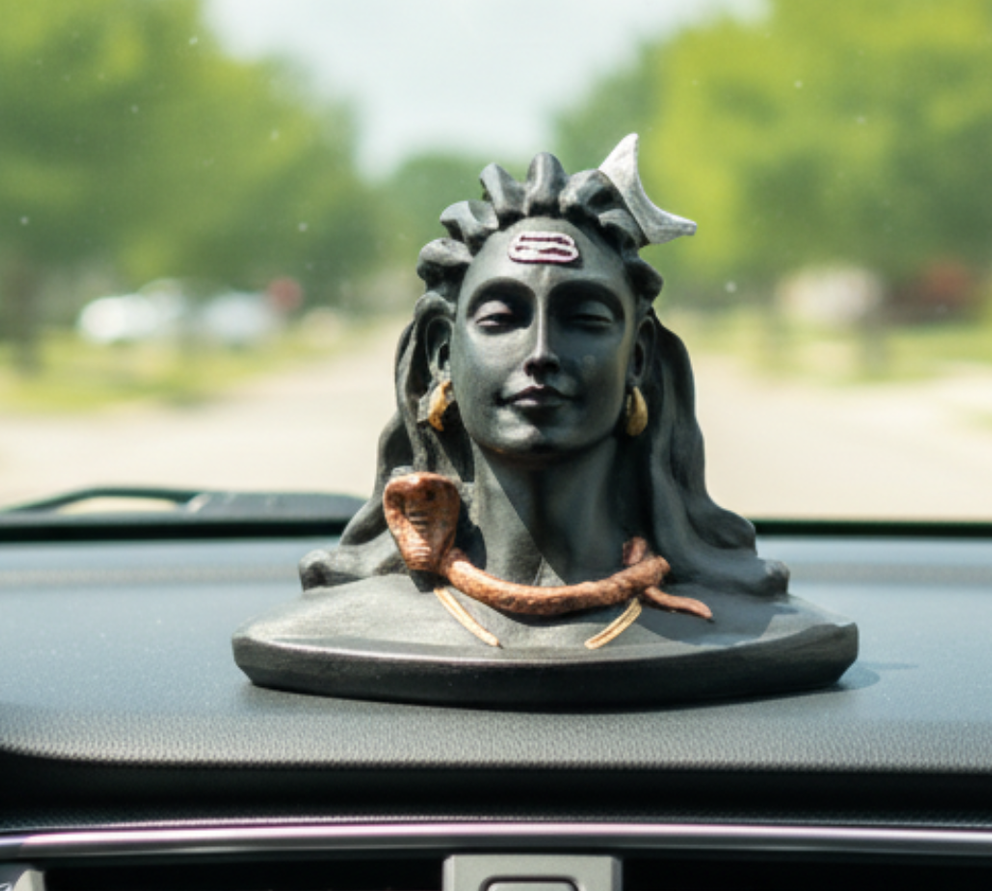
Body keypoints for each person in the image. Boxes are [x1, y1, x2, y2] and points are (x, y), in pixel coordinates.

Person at [300, 137, 788, 622]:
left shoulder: (743, 631)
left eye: (586, 319)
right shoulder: (346, 628)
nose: (541, 354)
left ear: (637, 356)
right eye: (500, 318)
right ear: (441, 353)